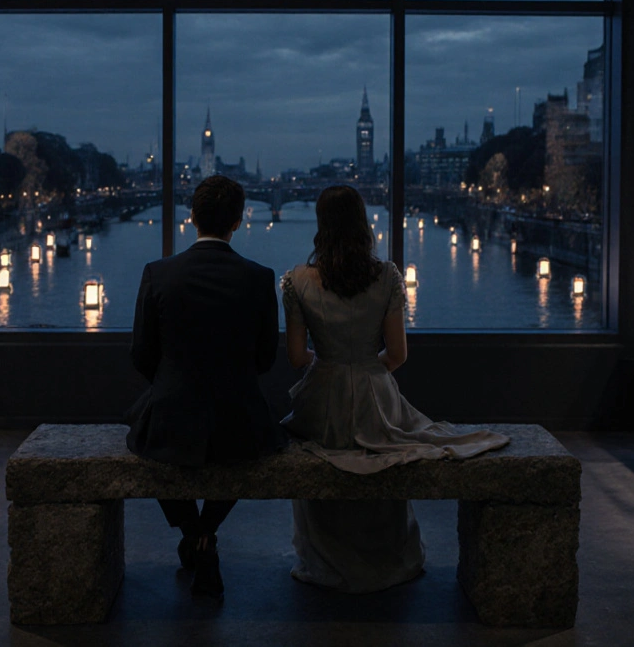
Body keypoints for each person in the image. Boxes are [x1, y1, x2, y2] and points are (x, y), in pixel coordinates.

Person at [279, 184, 510, 593]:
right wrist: (368, 370)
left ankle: (326, 558)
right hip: (374, 391)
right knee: (388, 446)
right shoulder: (386, 276)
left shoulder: (297, 281)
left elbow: (298, 357)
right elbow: (398, 354)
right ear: (362, 223)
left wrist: (330, 367)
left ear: (321, 225)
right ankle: (386, 557)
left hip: (323, 395)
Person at [125, 174, 286, 599]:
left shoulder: (158, 274)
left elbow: (141, 353)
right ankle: (206, 532)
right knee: (246, 454)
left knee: (150, 442)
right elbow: (266, 359)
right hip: (240, 416)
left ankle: (193, 532)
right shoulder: (259, 277)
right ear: (237, 222)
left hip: (173, 413)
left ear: (192, 218)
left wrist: (174, 383)